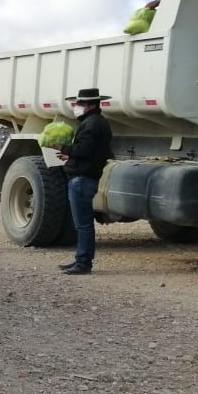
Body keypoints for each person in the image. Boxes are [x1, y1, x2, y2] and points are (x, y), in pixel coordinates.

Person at [58, 88, 114, 275]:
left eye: (80, 104)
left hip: (82, 179)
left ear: (91, 105)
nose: (76, 107)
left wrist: (64, 148)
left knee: (82, 224)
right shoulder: (96, 122)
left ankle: (83, 262)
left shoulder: (92, 124)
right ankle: (80, 260)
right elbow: (92, 152)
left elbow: (84, 149)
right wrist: (71, 156)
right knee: (82, 223)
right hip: (86, 175)